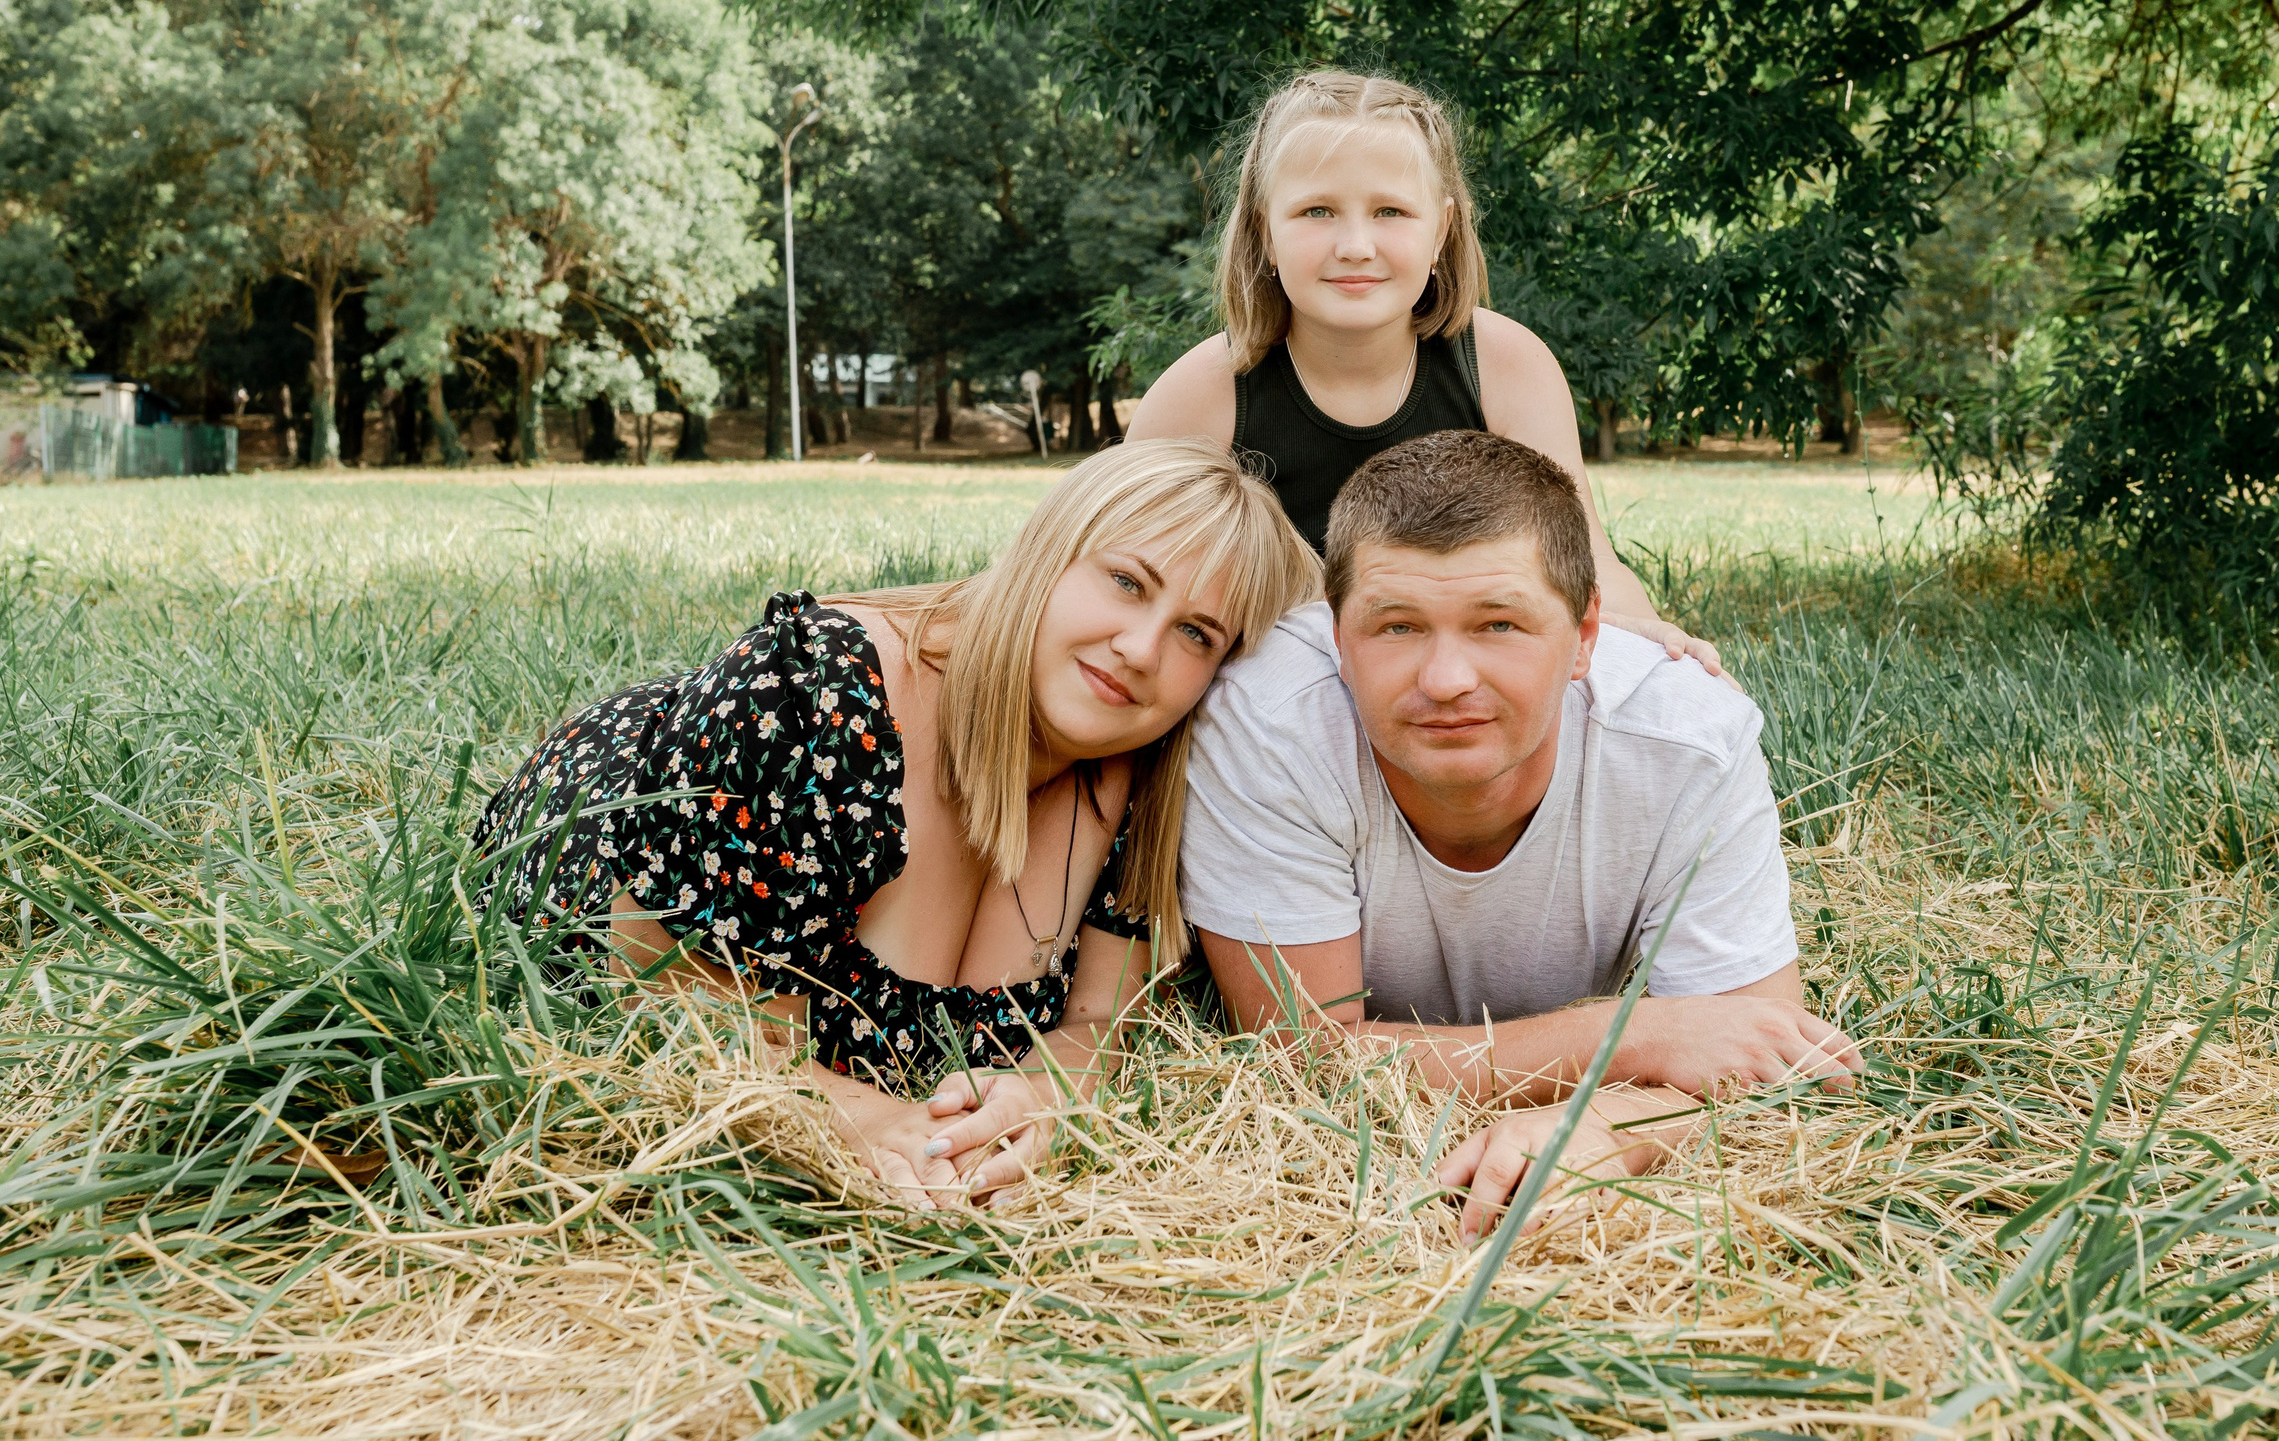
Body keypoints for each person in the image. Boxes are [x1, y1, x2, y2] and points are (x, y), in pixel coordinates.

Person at [477, 439, 1320, 1206]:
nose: (1140, 647)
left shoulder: (1148, 771)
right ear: (1048, 558)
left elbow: (1101, 1020)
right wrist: (861, 1115)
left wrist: (1044, 1092)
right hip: (613, 816)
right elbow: (667, 1003)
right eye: (1126, 581)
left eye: (1196, 634)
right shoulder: (816, 694)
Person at [1179, 431, 1863, 1241]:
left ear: (1584, 637)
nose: (1445, 680)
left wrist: (1607, 1128)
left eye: (1498, 624)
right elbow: (1306, 1058)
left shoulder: (1688, 741)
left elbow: (1763, 1055)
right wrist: (1633, 1035)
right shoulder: (1271, 722)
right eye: (1396, 627)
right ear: (1336, 637)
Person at [1125, 68, 1721, 673]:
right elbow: (1120, 583)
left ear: (1441, 228)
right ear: (1264, 233)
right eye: (1316, 211)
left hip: (1462, 669)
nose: (1355, 244)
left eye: (1389, 211)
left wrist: (1653, 648)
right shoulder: (1204, 393)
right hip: (1270, 687)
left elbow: (1582, 558)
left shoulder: (1506, 366)